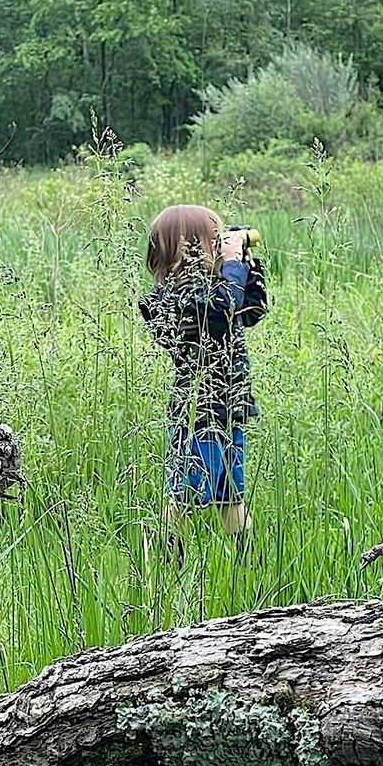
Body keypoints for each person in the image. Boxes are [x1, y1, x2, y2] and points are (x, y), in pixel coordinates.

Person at [138, 203, 267, 549]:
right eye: (214, 241)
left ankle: (251, 568)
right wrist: (233, 266)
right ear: (188, 247)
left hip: (230, 410)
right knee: (184, 498)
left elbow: (252, 310)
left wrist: (248, 265)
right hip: (199, 413)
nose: (220, 248)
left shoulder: (214, 290)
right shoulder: (173, 298)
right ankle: (162, 568)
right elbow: (223, 310)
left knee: (231, 497)